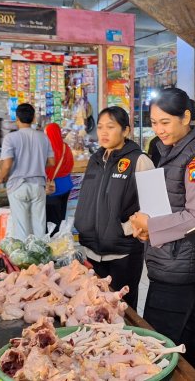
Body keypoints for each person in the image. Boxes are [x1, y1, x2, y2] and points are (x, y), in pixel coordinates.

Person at [128, 88, 195, 375]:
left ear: (186, 117)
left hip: (180, 266)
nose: (159, 129)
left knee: (156, 344)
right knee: (186, 333)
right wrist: (149, 230)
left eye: (165, 122)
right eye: (154, 122)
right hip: (170, 257)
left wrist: (152, 226)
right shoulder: (171, 151)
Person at [74, 107, 153, 310]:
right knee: (95, 312)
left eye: (111, 127)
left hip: (123, 254)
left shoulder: (140, 160)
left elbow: (155, 208)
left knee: (122, 312)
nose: (104, 132)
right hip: (92, 252)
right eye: (100, 127)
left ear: (126, 130)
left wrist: (128, 227)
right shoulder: (95, 160)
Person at [0, 104, 56, 240]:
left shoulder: (10, 138)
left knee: (22, 229)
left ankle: (25, 260)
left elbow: (7, 164)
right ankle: (42, 258)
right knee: (40, 227)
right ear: (33, 118)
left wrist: (0, 177)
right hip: (38, 186)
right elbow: (52, 162)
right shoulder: (43, 137)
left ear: (17, 118)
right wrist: (38, 164)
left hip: (17, 186)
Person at [44, 122, 74, 235]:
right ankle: (60, 241)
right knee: (61, 217)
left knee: (51, 221)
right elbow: (71, 164)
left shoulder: (48, 150)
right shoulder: (66, 147)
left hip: (52, 188)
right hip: (66, 186)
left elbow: (46, 170)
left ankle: (54, 244)